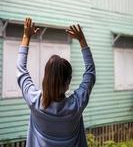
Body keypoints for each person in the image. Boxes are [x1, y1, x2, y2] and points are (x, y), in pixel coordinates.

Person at [17, 18, 96, 147]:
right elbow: (90, 73)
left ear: (45, 78)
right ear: (68, 81)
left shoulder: (34, 101)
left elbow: (21, 71)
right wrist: (82, 41)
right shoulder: (76, 105)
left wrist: (26, 37)